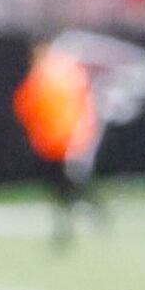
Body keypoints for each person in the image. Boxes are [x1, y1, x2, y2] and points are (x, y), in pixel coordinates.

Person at [15, 36, 104, 251]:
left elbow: (79, 106)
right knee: (61, 186)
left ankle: (72, 224)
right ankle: (87, 213)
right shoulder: (42, 75)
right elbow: (26, 106)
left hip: (68, 140)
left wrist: (80, 133)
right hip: (50, 142)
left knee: (70, 184)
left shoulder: (63, 73)